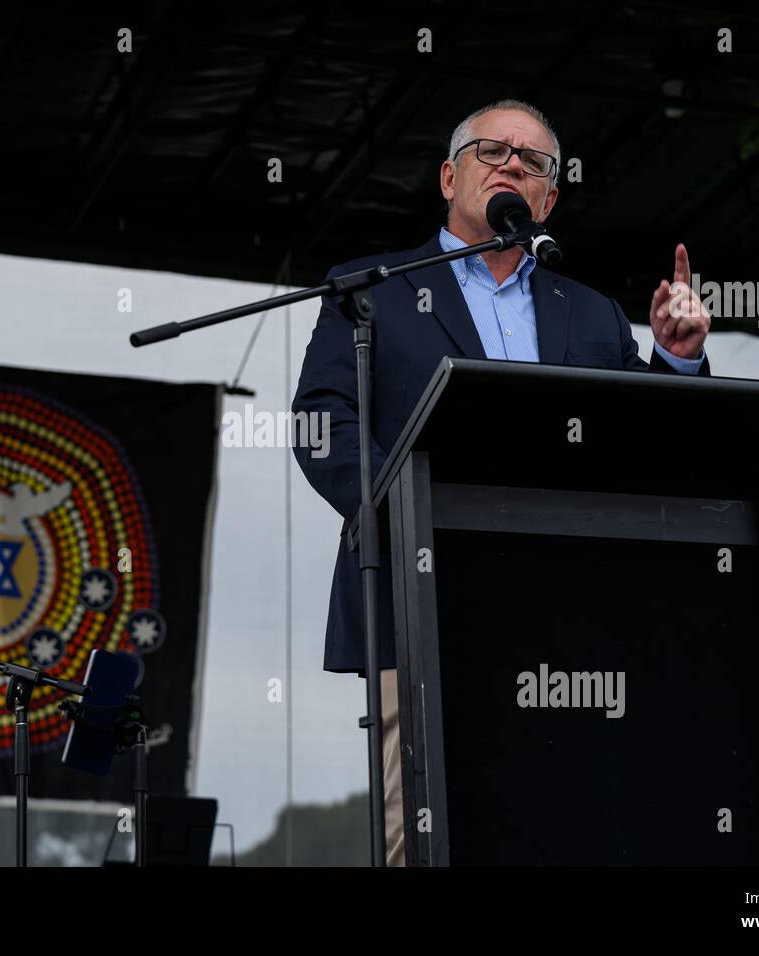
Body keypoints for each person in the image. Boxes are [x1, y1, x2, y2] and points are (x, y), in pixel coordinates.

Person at [291, 100, 713, 866]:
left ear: (548, 199)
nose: (513, 164)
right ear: (451, 176)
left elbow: (650, 442)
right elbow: (323, 423)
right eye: (493, 151)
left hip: (572, 615)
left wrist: (675, 359)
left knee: (568, 820)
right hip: (422, 603)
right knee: (421, 829)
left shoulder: (594, 316)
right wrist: (405, 512)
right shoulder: (369, 290)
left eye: (535, 162)